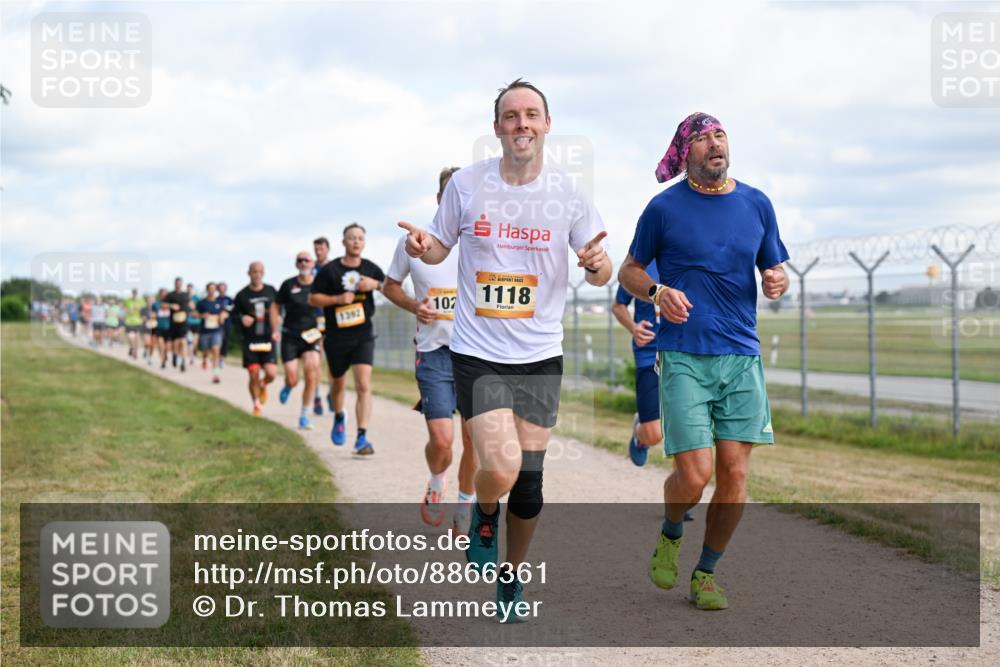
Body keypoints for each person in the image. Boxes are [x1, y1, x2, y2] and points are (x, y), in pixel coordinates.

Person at [399, 78, 611, 620]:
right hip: (478, 351)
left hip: (540, 355)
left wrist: (596, 266)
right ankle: (484, 511)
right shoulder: (467, 185)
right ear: (496, 127)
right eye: (511, 115)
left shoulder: (568, 192)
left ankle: (511, 577)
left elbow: (600, 269)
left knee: (531, 485)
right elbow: (439, 246)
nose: (522, 123)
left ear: (547, 124)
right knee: (503, 464)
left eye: (531, 114)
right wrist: (423, 246)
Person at [618, 112, 789, 611]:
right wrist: (658, 291)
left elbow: (774, 269)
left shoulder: (756, 203)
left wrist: (778, 281)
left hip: (740, 355)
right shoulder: (663, 208)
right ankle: (672, 530)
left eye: (720, 135)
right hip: (684, 355)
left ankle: (706, 572)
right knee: (694, 476)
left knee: (734, 475)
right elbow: (629, 272)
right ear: (685, 152)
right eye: (703, 138)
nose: (715, 143)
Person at [384, 167, 477, 533]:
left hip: (478, 351)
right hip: (434, 351)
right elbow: (390, 286)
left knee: (474, 440)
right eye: (454, 193)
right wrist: (414, 306)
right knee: (442, 440)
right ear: (441, 200)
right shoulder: (416, 241)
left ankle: (465, 506)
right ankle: (437, 480)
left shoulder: (485, 240)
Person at [309, 223, 385, 455]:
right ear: (343, 242)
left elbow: (391, 288)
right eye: (351, 238)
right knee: (338, 384)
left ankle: (362, 437)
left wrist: (376, 284)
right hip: (336, 337)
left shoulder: (371, 268)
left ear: (364, 242)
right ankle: (339, 416)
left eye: (360, 238)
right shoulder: (330, 270)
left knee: (363, 384)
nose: (356, 241)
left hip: (363, 335)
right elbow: (313, 299)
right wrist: (337, 300)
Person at [276, 252, 323, 430]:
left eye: (306, 260)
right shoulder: (288, 284)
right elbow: (276, 306)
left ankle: (304, 415)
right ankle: (288, 385)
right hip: (290, 335)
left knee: (311, 371)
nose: (303, 263)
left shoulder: (320, 285)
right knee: (293, 378)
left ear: (312, 264)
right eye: (300, 260)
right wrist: (275, 323)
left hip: (311, 335)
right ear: (296, 264)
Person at [233, 262, 280, 416]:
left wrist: (276, 328)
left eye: (260, 272)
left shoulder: (271, 291)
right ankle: (256, 405)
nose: (257, 275)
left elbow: (277, 310)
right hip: (250, 340)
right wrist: (242, 318)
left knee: (271, 373)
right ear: (249, 273)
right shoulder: (242, 295)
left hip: (268, 337)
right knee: (253, 373)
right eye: (254, 272)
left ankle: (263, 384)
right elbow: (233, 315)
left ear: (263, 273)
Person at [311, 236, 331, 416]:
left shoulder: (334, 267)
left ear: (327, 249)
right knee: (316, 360)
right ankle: (317, 396)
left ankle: (332, 392)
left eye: (321, 249)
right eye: (316, 249)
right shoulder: (310, 269)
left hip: (332, 319)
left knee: (333, 360)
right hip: (314, 319)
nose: (318, 252)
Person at [197, 282, 226, 383]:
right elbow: (194, 313)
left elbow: (224, 313)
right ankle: (204, 359)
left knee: (216, 351)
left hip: (216, 331)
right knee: (206, 351)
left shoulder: (219, 303)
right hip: (205, 331)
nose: (212, 291)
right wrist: (201, 316)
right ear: (207, 290)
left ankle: (216, 375)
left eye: (213, 289)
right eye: (210, 289)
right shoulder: (202, 303)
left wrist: (222, 317)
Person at [164, 277, 192, 372]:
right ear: (175, 284)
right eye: (177, 283)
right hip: (174, 322)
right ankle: (175, 355)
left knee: (183, 341)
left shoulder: (186, 295)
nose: (178, 285)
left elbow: (191, 304)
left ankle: (183, 361)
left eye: (180, 283)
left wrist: (192, 307)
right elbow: (163, 304)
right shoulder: (170, 295)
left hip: (184, 322)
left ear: (181, 284)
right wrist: (171, 305)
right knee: (175, 342)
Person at [152, 289, 172, 369]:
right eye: (162, 294)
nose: (164, 296)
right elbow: (153, 314)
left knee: (167, 347)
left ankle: (165, 354)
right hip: (159, 327)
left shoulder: (170, 304)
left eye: (165, 294)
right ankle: (162, 361)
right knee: (160, 345)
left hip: (169, 328)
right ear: (159, 295)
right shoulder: (156, 304)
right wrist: (154, 315)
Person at [123, 288, 145, 359]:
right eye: (133, 293)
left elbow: (144, 309)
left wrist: (139, 309)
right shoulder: (127, 301)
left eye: (135, 293)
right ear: (132, 293)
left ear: (137, 293)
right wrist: (129, 310)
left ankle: (135, 352)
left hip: (138, 321)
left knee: (137, 338)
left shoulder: (141, 301)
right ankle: (132, 347)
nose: (134, 294)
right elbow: (124, 308)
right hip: (129, 321)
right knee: (130, 337)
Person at [218, 282, 235, 368]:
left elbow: (234, 311)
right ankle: (216, 356)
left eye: (223, 288)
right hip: (217, 324)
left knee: (225, 341)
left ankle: (222, 358)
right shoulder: (216, 299)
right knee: (217, 341)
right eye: (220, 288)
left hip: (227, 324)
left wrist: (227, 314)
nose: (222, 289)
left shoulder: (230, 299)